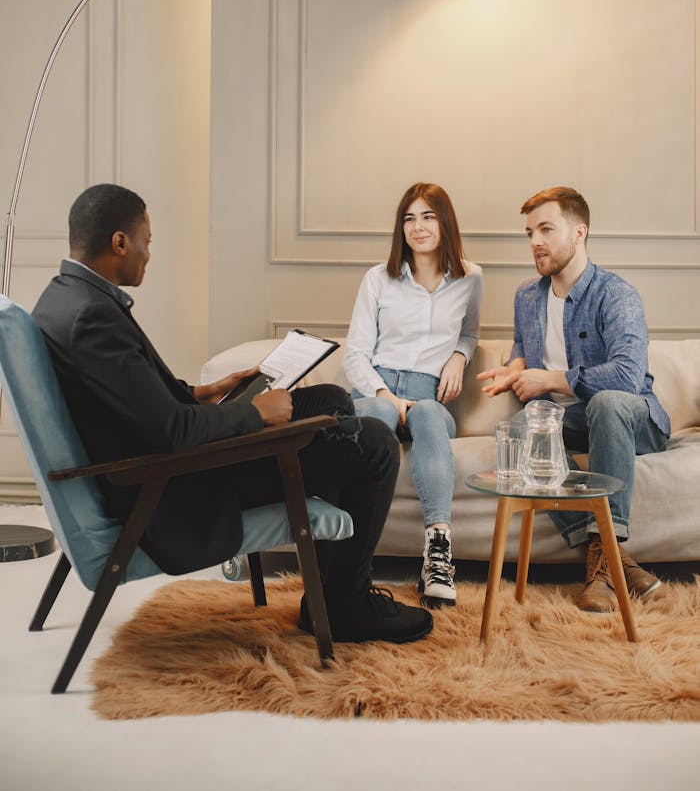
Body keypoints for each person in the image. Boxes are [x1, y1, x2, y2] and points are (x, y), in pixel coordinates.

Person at [32, 184, 433, 645]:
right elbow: (172, 433)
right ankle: (345, 604)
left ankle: (327, 592)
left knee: (329, 401)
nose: (148, 252)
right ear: (119, 242)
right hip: (175, 490)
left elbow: (126, 397)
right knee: (375, 442)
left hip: (165, 464)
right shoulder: (91, 317)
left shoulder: (66, 299)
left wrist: (201, 392)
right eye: (147, 239)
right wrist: (257, 416)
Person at [476, 186, 669, 613]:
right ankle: (613, 558)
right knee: (524, 427)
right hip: (570, 420)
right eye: (529, 232)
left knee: (608, 403)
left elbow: (627, 376)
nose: (535, 242)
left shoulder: (616, 294)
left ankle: (603, 567)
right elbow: (523, 348)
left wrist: (551, 380)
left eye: (546, 229)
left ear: (579, 232)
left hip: (634, 417)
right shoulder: (527, 296)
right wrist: (515, 368)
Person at [343, 182, 482, 607]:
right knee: (377, 422)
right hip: (376, 387)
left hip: (428, 394)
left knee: (425, 415)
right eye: (409, 218)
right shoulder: (377, 279)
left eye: (428, 216)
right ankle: (349, 560)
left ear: (445, 222)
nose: (417, 226)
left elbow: (470, 332)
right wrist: (384, 393)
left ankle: (437, 555)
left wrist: (459, 355)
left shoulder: (470, 277)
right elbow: (355, 355)